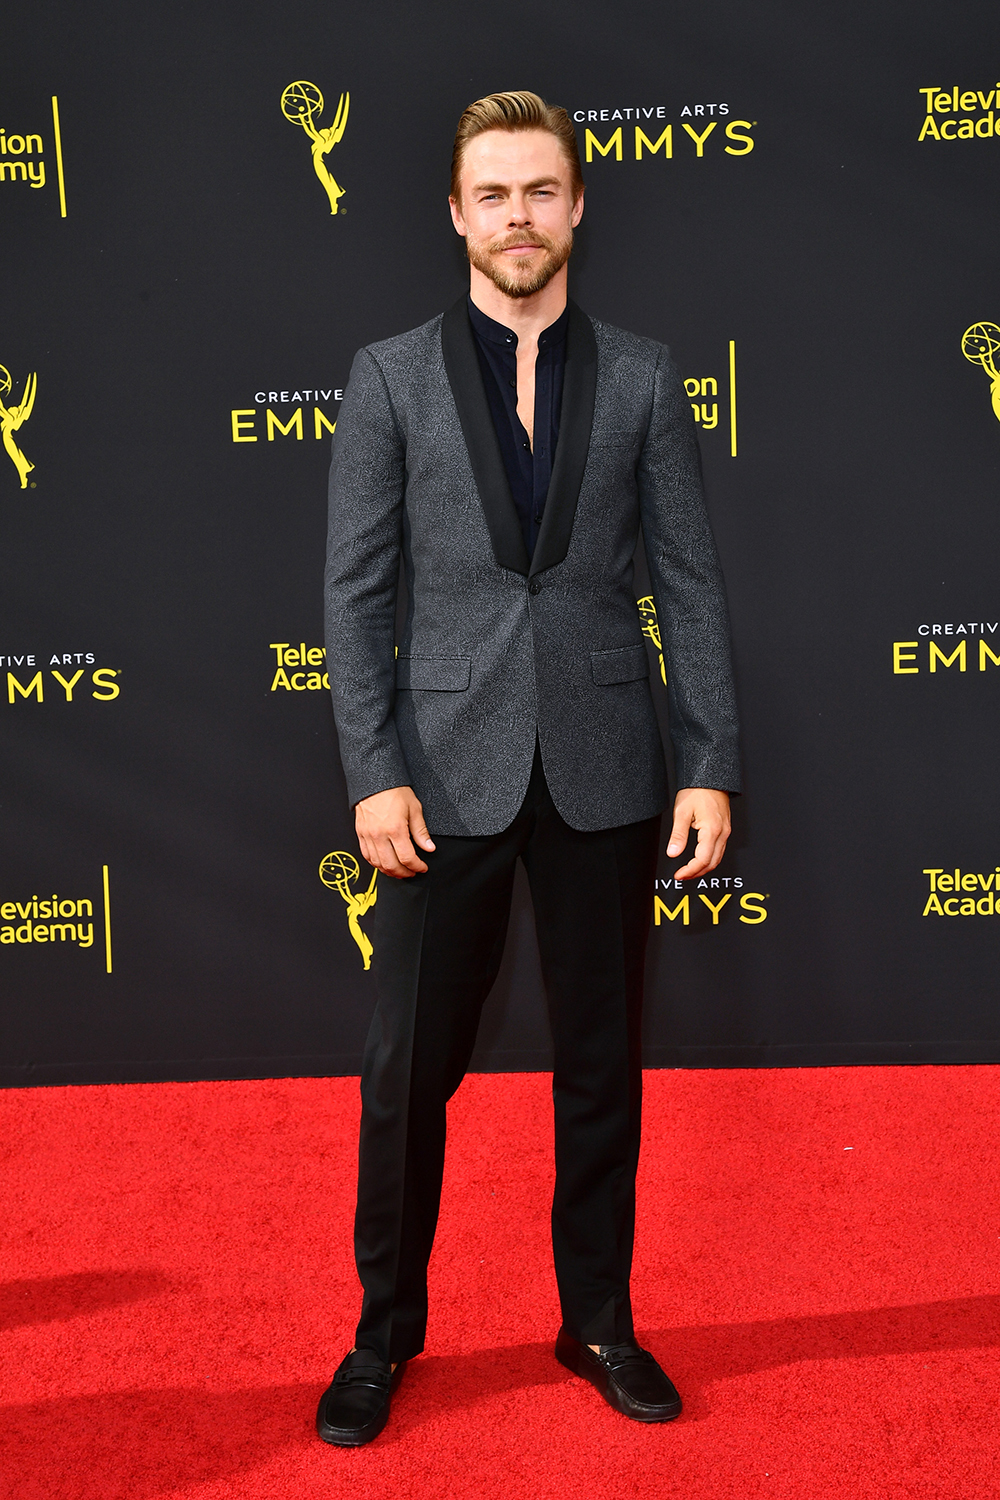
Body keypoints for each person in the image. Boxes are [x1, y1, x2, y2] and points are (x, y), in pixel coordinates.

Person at [319, 90, 740, 1446]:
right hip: (440, 778)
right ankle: (385, 1336)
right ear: (457, 213)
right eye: (494, 194)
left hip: (612, 766)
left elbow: (687, 581)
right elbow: (354, 593)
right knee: (407, 1071)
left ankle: (599, 1321)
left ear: (576, 206)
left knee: (602, 1063)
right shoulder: (386, 377)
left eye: (542, 191)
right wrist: (374, 769)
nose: (519, 217)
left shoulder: (643, 375)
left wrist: (709, 760)